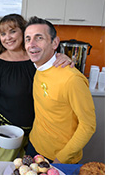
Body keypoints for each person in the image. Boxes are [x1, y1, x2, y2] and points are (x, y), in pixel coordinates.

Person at [0, 13, 75, 162]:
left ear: (24, 32)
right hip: (8, 131)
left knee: (31, 172)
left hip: (38, 131)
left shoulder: (37, 59)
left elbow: (55, 69)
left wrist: (64, 58)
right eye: (3, 34)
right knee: (5, 170)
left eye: (12, 31)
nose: (7, 37)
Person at [24, 16, 96, 164]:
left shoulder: (71, 79)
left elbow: (88, 125)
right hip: (34, 146)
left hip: (58, 157)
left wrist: (61, 158)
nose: (31, 44)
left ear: (55, 42)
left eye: (39, 38)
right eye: (28, 39)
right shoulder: (39, 67)